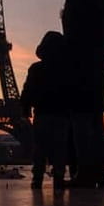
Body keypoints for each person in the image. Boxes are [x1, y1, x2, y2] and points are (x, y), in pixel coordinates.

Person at [61, 0, 104, 188]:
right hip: (98, 65)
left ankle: (85, 172)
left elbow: (73, 36)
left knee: (80, 120)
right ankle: (99, 171)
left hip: (78, 66)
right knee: (94, 119)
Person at [20, 31, 71, 190]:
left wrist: (25, 108)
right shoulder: (65, 70)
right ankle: (58, 177)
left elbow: (27, 90)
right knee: (59, 148)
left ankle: (37, 178)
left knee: (40, 148)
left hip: (41, 113)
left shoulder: (36, 68)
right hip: (61, 114)